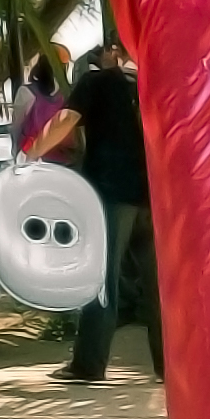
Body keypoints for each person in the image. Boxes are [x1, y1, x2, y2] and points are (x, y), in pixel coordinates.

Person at [56, 39, 157, 383]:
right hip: (152, 197)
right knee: (157, 286)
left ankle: (88, 365)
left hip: (111, 194)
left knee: (102, 281)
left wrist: (29, 155)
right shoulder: (153, 84)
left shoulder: (97, 81)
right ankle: (168, 366)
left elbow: (65, 120)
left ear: (115, 49)